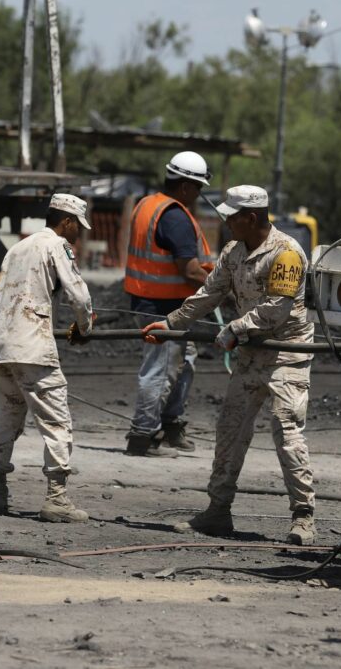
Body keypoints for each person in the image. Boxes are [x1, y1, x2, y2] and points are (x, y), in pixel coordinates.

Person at [146, 185, 318, 544]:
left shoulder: (286, 253)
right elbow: (210, 292)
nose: (225, 222)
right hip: (250, 354)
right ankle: (218, 511)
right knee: (230, 430)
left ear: (251, 218)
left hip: (286, 353)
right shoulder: (232, 252)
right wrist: (172, 323)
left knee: (285, 430)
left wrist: (235, 329)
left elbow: (277, 309)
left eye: (231, 217)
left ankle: (303, 517)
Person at [0, 193, 94, 523]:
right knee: (57, 422)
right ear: (66, 221)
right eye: (77, 227)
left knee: (5, 418)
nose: (78, 234)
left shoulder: (16, 248)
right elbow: (78, 294)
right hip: (34, 348)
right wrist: (85, 327)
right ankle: (56, 498)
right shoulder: (56, 246)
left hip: (4, 349)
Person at [122, 151, 216, 458]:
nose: (199, 194)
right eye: (199, 187)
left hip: (153, 302)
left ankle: (171, 424)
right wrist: (222, 291)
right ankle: (142, 436)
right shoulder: (174, 216)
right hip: (161, 309)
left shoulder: (148, 204)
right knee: (160, 371)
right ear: (187, 186)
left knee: (184, 361)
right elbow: (188, 269)